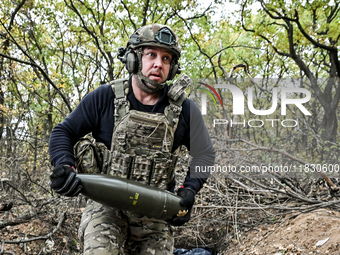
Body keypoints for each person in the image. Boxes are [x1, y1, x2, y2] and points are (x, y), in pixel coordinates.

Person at [49, 23, 215, 255]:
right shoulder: (105, 97)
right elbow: (63, 132)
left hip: (154, 209)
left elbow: (205, 153)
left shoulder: (184, 110)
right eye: (151, 54)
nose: (159, 63)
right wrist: (64, 166)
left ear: (173, 67)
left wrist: (189, 190)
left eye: (166, 58)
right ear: (133, 59)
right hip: (106, 205)